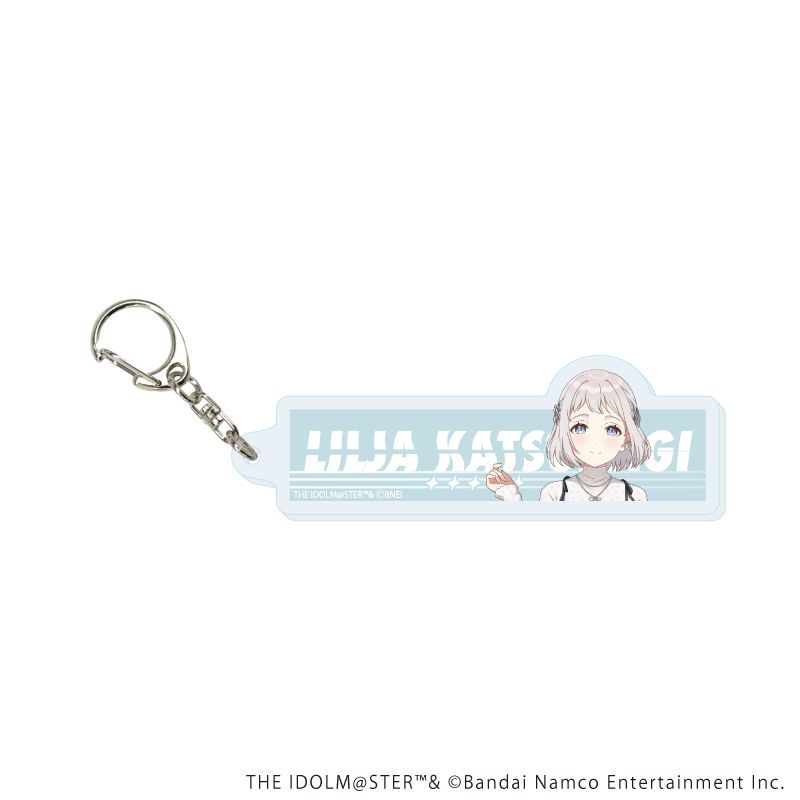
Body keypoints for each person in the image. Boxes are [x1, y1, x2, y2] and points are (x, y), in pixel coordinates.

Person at [487, 369, 651, 502]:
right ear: (565, 433)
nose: (595, 441)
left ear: (626, 439)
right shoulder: (554, 493)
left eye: (612, 429)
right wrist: (509, 493)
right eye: (580, 427)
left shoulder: (634, 496)